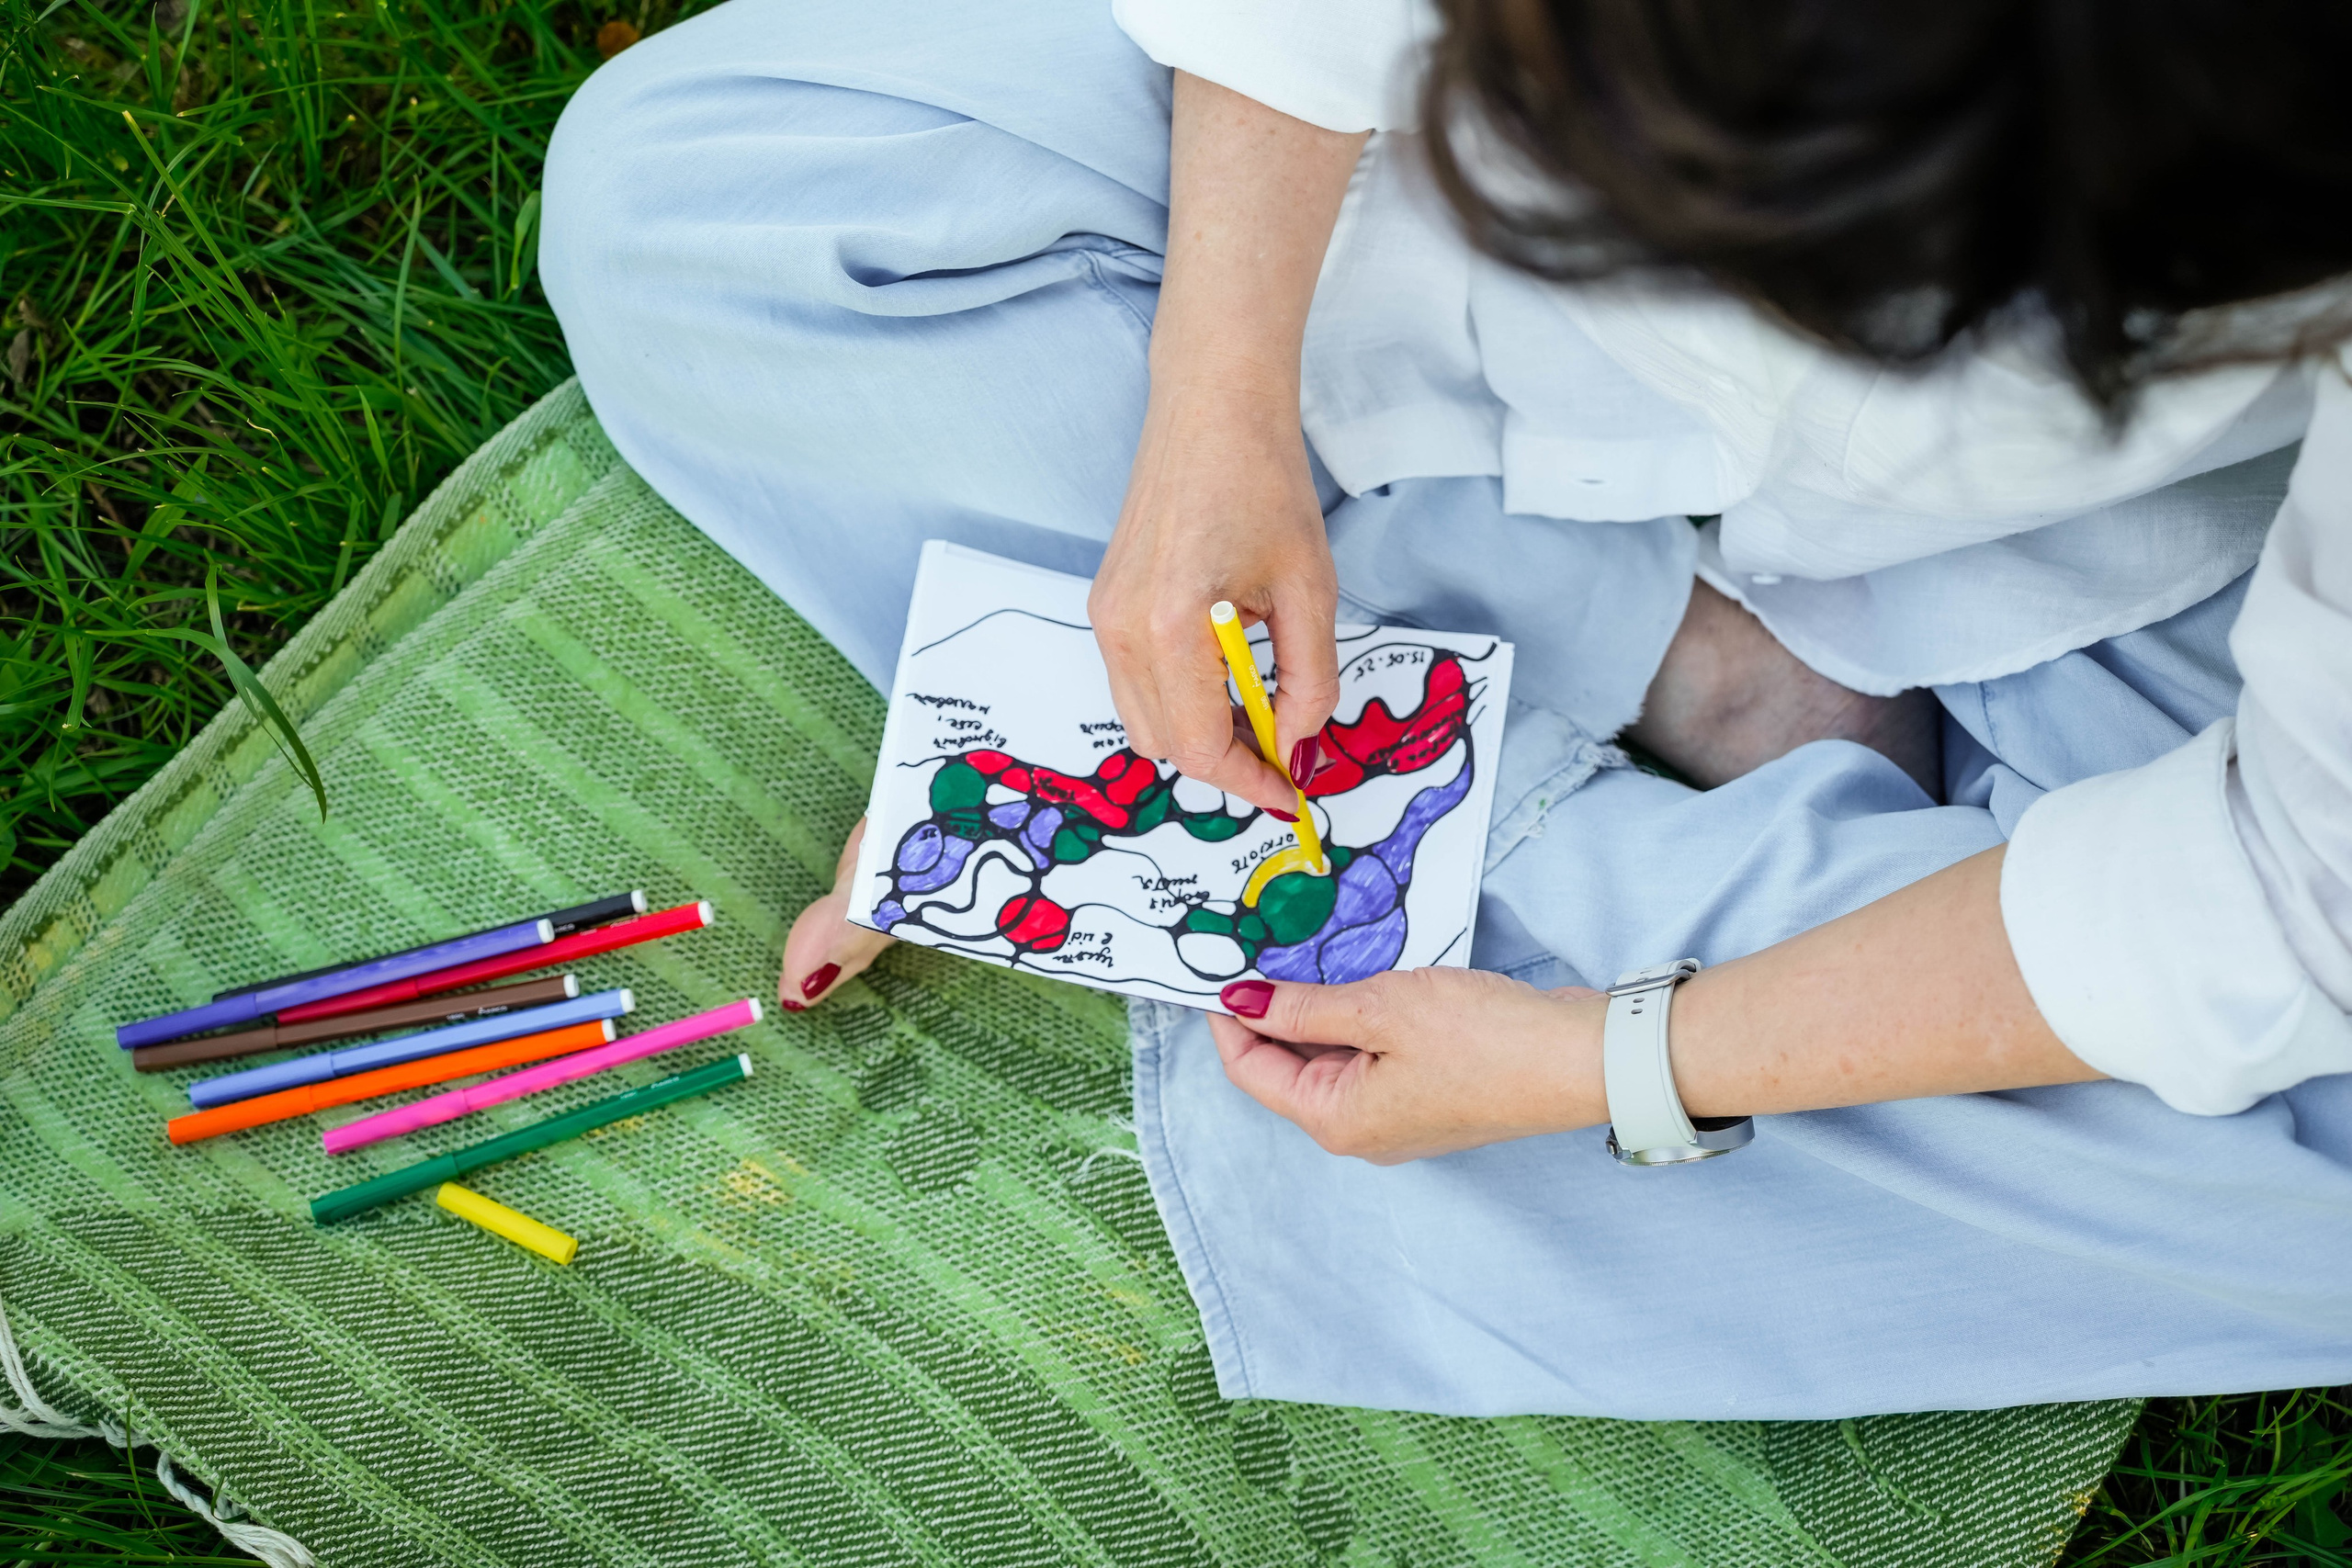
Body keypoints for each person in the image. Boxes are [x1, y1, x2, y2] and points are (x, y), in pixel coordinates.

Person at [538, 0, 2352, 1416]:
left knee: (2308, 1179)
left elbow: (2288, 900)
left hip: (2136, 576)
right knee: (693, 187)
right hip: (1421, 258)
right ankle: (1604, 708)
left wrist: (1613, 1061)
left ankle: (1391, 832)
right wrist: (1210, 404)